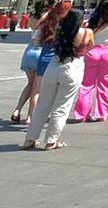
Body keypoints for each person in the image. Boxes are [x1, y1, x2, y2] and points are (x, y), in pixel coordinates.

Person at [22, 9, 93, 150]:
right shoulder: (86, 32)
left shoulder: (59, 30)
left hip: (53, 65)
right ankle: (51, 140)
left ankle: (30, 139)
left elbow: (46, 42)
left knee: (43, 104)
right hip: (73, 66)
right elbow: (90, 47)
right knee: (62, 106)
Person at [11, 0, 68, 124]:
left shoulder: (32, 17)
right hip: (41, 52)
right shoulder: (49, 19)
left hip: (29, 51)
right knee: (37, 88)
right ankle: (30, 117)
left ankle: (17, 110)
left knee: (30, 84)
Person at [73, 0, 108, 122]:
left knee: (87, 84)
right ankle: (101, 114)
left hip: (92, 52)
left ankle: (81, 114)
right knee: (106, 85)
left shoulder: (92, 22)